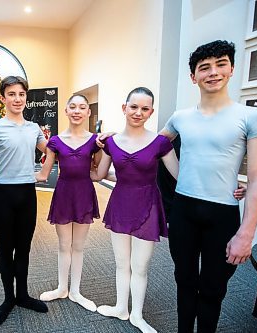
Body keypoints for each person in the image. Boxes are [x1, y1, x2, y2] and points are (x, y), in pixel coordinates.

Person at [160, 40, 257, 333]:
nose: (213, 72)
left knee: (212, 288)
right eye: (204, 67)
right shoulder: (180, 117)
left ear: (232, 69)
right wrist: (105, 140)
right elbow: (152, 146)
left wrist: (246, 235)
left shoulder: (252, 116)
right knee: (184, 282)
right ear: (193, 76)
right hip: (183, 212)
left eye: (220, 64)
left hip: (222, 216)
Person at [93, 87, 179, 333]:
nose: (138, 113)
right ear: (124, 108)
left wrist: (225, 183)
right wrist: (72, 166)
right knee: (122, 263)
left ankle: (137, 315)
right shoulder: (110, 142)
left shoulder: (160, 143)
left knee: (140, 266)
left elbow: (181, 176)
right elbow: (101, 174)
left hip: (148, 206)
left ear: (151, 112)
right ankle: (121, 307)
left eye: (144, 109)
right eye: (134, 107)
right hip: (120, 204)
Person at [0, 76, 48, 326]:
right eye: (11, 94)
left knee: (25, 248)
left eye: (21, 94)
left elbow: (51, 149)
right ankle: (9, 298)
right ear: (3, 98)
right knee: (6, 249)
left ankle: (23, 295)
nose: (17, 99)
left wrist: (42, 173)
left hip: (27, 194)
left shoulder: (33, 128)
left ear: (26, 97)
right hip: (3, 195)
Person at [35, 94, 102, 312]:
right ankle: (61, 288)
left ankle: (76, 291)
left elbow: (97, 171)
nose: (77, 111)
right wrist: (8, 175)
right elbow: (44, 174)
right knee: (64, 245)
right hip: (63, 194)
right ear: (65, 111)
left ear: (88, 112)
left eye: (82, 107)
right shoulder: (54, 141)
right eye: (72, 106)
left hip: (84, 194)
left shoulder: (95, 141)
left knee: (79, 246)